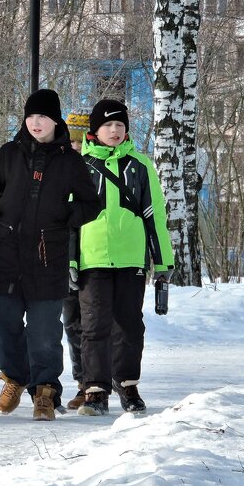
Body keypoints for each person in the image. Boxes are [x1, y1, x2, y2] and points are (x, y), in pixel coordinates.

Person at [0, 89, 101, 421]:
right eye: (30, 117)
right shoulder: (9, 153)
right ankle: (15, 378)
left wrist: (66, 216)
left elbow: (91, 203)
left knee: (44, 332)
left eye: (42, 117)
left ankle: (45, 391)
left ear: (55, 119)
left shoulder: (70, 161)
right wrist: (0, 205)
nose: (35, 123)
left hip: (48, 255)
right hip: (6, 252)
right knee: (2, 322)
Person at [74, 99, 173, 416]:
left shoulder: (141, 166)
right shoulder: (79, 167)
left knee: (130, 326)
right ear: (95, 131)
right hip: (93, 260)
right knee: (94, 327)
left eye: (119, 125)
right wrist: (70, 261)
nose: (114, 131)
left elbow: (154, 216)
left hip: (131, 260)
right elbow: (68, 219)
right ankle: (95, 392)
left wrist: (163, 262)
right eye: (107, 125)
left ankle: (128, 386)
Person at [62, 109, 91, 410]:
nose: (75, 146)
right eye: (71, 141)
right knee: (72, 323)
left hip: (95, 257)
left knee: (94, 323)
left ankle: (96, 380)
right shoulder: (59, 170)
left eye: (80, 141)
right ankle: (83, 382)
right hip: (63, 257)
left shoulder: (96, 172)